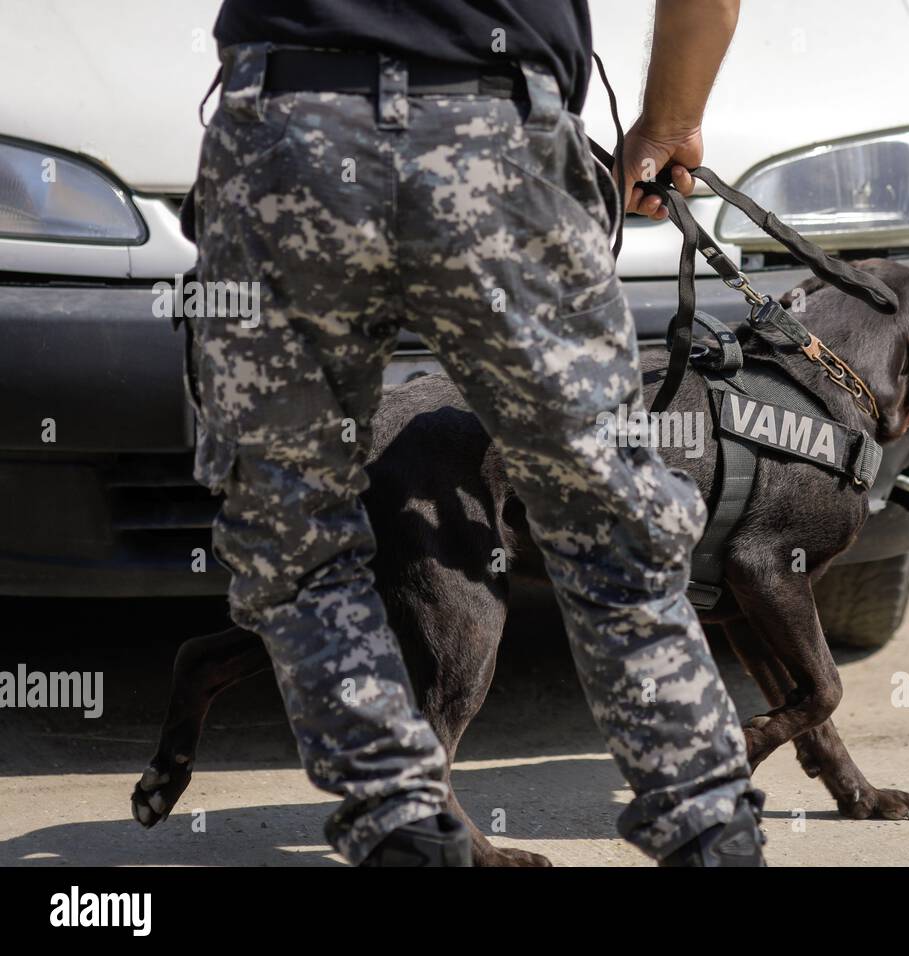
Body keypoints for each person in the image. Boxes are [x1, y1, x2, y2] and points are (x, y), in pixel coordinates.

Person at [190, 0, 764, 865]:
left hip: (288, 128)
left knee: (292, 529)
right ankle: (711, 832)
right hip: (501, 137)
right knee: (611, 518)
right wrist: (670, 121)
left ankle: (401, 821)